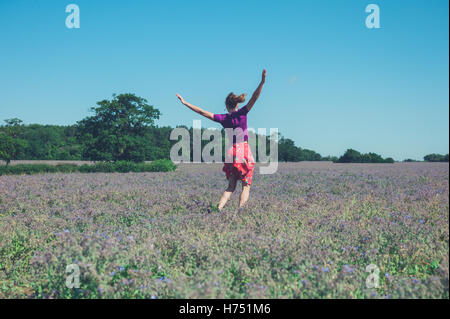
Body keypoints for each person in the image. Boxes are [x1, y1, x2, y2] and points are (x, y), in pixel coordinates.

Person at [176, 69, 267, 211]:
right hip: (243, 151)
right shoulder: (243, 113)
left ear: (226, 106)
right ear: (237, 104)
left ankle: (218, 209)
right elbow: (254, 97)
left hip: (232, 153)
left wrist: (185, 103)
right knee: (246, 186)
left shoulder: (223, 118)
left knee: (230, 187)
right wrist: (262, 82)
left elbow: (201, 111)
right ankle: (240, 212)